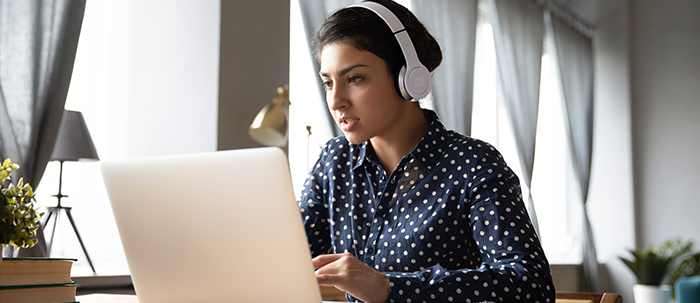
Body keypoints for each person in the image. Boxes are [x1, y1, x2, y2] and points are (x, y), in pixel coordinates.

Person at [297, 1, 556, 302]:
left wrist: (388, 287)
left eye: (354, 79)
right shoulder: (334, 161)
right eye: (328, 83)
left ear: (408, 78)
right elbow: (292, 257)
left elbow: (530, 284)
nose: (335, 101)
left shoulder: (473, 164)